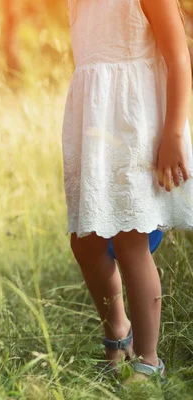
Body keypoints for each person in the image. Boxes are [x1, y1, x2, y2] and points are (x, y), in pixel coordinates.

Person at [63, 0, 193, 379]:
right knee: (84, 240)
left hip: (136, 125)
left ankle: (149, 361)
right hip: (94, 127)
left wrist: (172, 132)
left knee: (130, 239)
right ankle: (118, 331)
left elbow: (179, 59)